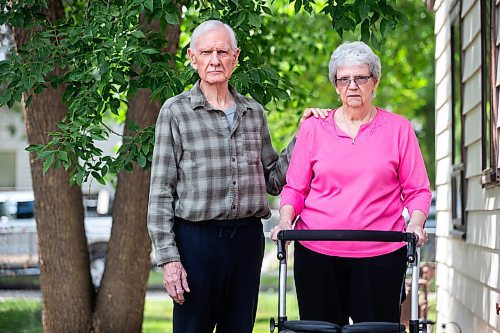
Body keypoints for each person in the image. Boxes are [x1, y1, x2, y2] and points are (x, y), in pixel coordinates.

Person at [147, 20, 325, 333]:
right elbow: (161, 191)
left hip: (246, 240)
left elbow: (272, 178)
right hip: (195, 241)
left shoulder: (253, 112)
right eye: (206, 52)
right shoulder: (175, 112)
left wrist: (303, 134)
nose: (214, 59)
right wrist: (169, 260)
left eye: (222, 51)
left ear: (235, 56)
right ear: (193, 58)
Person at [270, 41, 432, 326]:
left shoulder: (399, 129)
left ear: (375, 82)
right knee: (319, 330)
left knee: (376, 331)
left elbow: (417, 191)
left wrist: (416, 224)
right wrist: (285, 221)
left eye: (361, 78)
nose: (352, 86)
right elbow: (295, 188)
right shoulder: (313, 128)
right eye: (344, 79)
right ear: (335, 85)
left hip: (381, 252)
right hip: (316, 251)